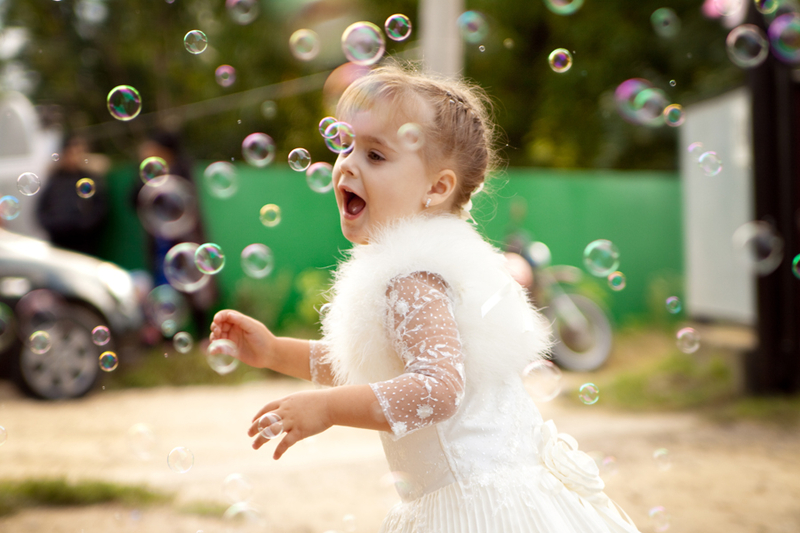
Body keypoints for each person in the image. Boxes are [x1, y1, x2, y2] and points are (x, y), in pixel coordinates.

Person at [210, 64, 640, 532]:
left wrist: (327, 408)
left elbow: (436, 390)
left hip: (478, 510)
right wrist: (275, 351)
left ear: (437, 188)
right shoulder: (433, 267)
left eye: (375, 155)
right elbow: (382, 367)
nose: (348, 164)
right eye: (346, 146)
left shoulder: (413, 278)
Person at [36, 135, 109, 256]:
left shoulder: (92, 179)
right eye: (72, 153)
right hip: (58, 243)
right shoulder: (55, 181)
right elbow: (41, 210)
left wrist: (81, 226)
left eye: (79, 153)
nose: (75, 157)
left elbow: (99, 210)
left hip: (84, 244)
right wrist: (57, 226)